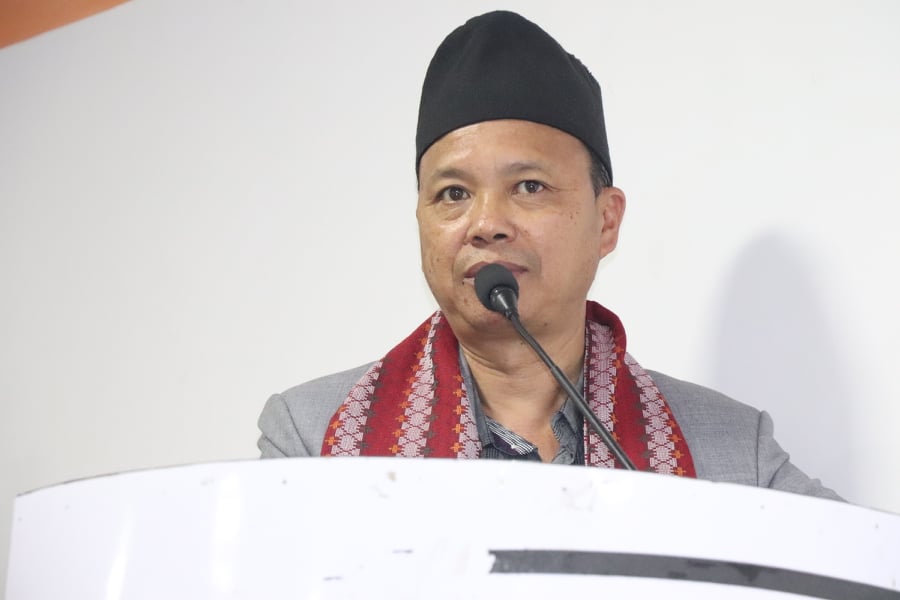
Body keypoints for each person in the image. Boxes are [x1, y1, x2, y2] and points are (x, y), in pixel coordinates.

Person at [257, 10, 839, 500]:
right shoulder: (312, 442)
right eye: (453, 194)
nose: (486, 224)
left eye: (529, 186)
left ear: (606, 221)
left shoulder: (736, 454)